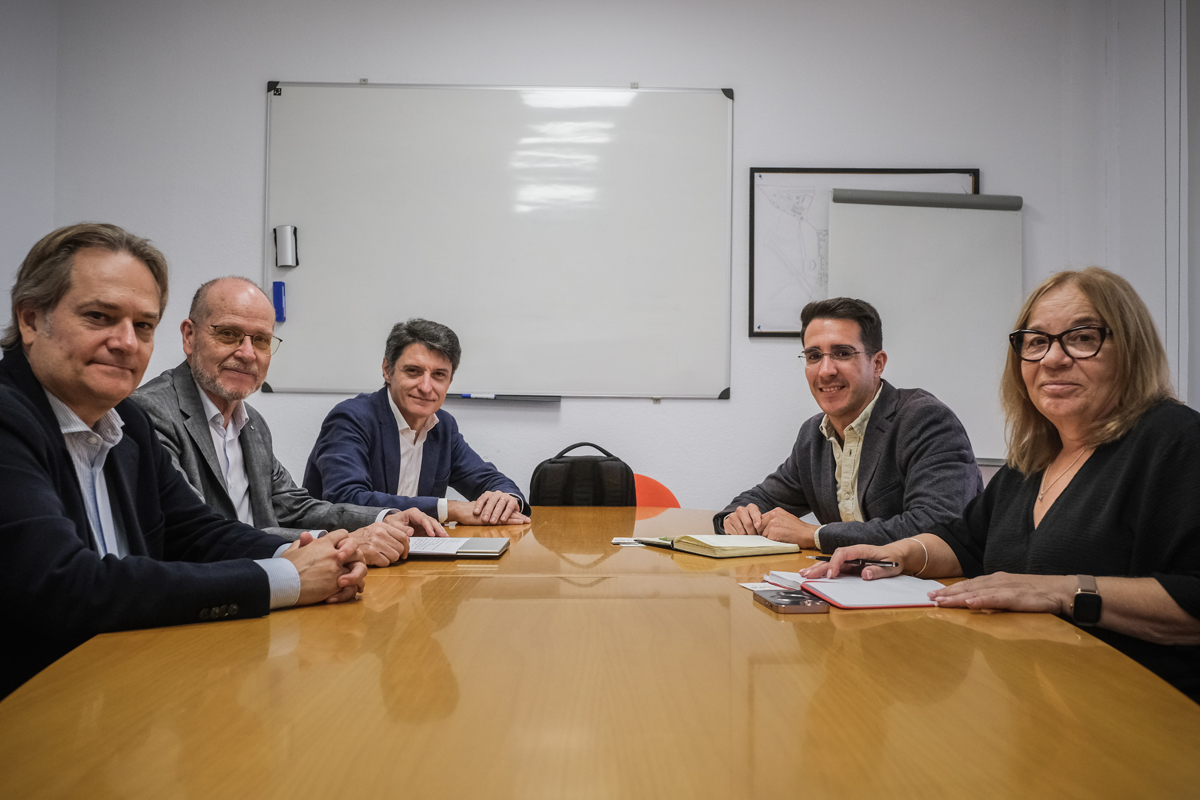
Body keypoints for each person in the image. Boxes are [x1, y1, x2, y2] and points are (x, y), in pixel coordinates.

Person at [0, 223, 366, 698]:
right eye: (99, 316)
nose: (127, 342)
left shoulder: (125, 419)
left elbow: (195, 530)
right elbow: (68, 585)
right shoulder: (9, 419)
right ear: (31, 320)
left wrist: (306, 553)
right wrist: (286, 578)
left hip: (128, 682)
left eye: (143, 325)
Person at [805, 268, 1200, 703]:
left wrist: (1062, 591)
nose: (1053, 358)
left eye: (1083, 337)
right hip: (1035, 706)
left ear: (1132, 349)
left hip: (1139, 713)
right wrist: (897, 554)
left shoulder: (1175, 440)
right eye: (1036, 342)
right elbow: (965, 541)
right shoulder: (1033, 459)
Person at [134, 277, 446, 566]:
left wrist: (386, 518)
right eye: (228, 334)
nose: (246, 353)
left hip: (264, 577)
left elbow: (293, 506)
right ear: (190, 337)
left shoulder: (251, 422)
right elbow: (196, 533)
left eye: (261, 340)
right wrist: (336, 543)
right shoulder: (151, 413)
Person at [715, 297, 982, 552]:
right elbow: (760, 499)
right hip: (850, 586)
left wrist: (814, 535)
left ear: (877, 363)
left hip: (931, 590)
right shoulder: (814, 435)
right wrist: (734, 518)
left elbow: (938, 527)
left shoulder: (924, 420)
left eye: (842, 353)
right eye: (814, 356)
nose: (825, 370)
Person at [304, 318, 530, 525]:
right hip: (345, 553)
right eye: (413, 371)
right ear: (387, 370)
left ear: (450, 381)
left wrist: (506, 499)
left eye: (439, 375)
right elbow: (345, 499)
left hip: (413, 552)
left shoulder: (443, 426)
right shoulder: (352, 418)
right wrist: (448, 509)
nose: (425, 387)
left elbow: (488, 479)